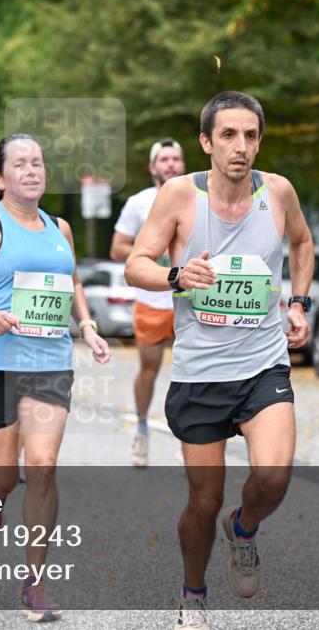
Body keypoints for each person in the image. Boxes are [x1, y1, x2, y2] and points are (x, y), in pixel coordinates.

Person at [125, 91, 313, 630]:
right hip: (201, 371)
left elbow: (302, 244)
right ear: (206, 142)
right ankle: (193, 594)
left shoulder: (277, 192)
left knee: (274, 475)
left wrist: (298, 303)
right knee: (203, 501)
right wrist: (175, 276)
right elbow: (136, 263)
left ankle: (246, 528)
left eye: (251, 135)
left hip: (263, 362)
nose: (242, 146)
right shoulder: (178, 196)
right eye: (229, 135)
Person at [0, 133, 110, 622]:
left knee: (44, 465)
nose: (32, 170)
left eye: (38, 162)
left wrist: (89, 327)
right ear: (0, 177)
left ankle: (34, 583)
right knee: (2, 476)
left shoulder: (60, 228)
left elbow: (70, 281)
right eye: (21, 164)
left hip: (48, 363)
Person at [110, 137, 186, 467]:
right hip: (152, 300)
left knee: (194, 372)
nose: (170, 164)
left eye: (176, 159)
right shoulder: (139, 203)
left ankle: (194, 444)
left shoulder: (197, 196)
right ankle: (141, 427)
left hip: (190, 299)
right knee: (149, 370)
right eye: (164, 159)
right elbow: (117, 249)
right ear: (153, 167)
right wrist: (153, 258)